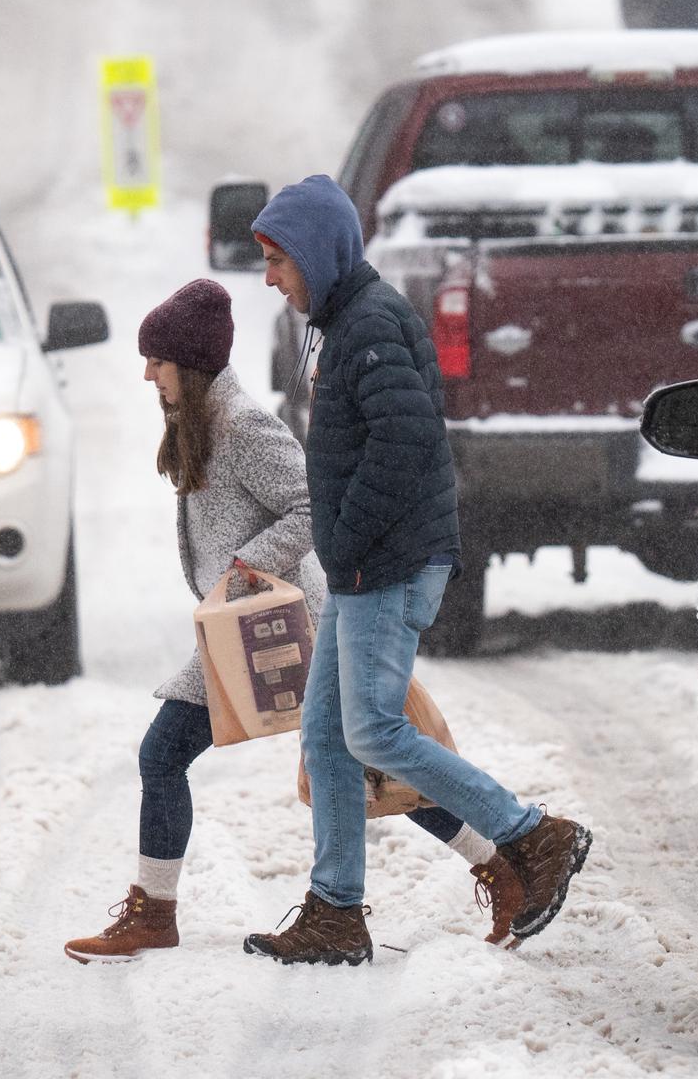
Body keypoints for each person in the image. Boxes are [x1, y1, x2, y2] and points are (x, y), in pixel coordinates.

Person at [64, 279, 524, 964]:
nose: (146, 374)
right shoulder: (201, 425)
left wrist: (245, 565)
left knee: (347, 760)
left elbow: (311, 508)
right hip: (241, 625)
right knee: (341, 757)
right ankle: (496, 864)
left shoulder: (243, 427)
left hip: (286, 625)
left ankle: (501, 861)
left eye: (156, 361)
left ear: (186, 364)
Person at [241, 178, 593, 967]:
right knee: (329, 739)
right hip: (370, 560)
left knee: (371, 729)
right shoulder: (351, 322)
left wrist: (351, 541)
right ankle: (336, 911)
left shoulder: (367, 328)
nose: (269, 278)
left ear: (316, 255)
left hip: (386, 563)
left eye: (276, 261)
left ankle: (533, 835)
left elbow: (404, 446)